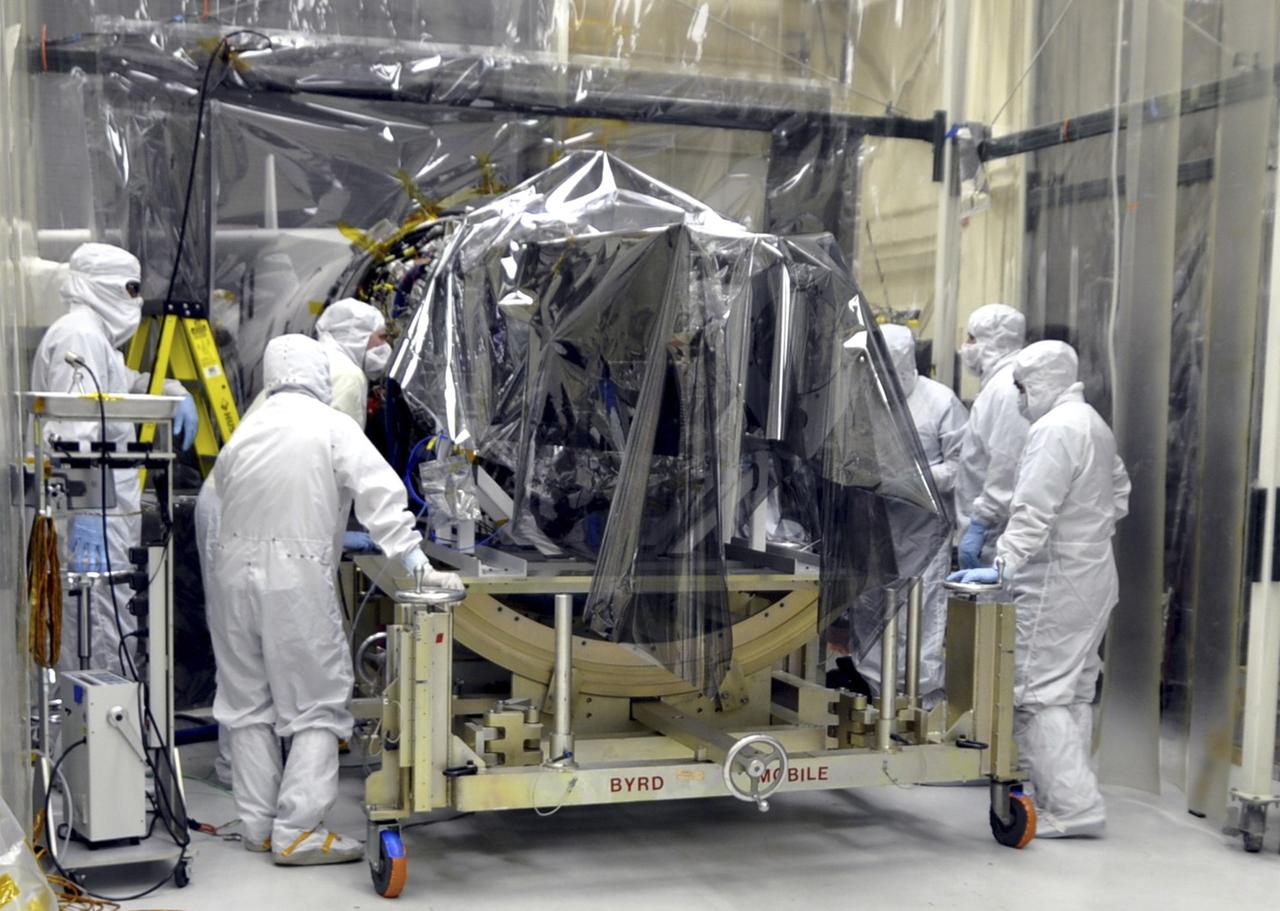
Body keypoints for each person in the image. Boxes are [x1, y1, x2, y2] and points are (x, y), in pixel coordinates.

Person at [206, 334, 462, 865]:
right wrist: (417, 565)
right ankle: (298, 830)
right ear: (318, 373)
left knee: (248, 705)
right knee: (317, 704)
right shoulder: (330, 425)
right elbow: (381, 497)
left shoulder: (246, 431)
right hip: (293, 579)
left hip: (230, 579)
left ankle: (257, 824)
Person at [949, 341, 1130, 837]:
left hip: (1057, 581)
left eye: (1023, 388)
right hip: (1092, 574)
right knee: (1071, 691)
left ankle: (1073, 810)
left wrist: (1003, 564)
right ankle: (1073, 794)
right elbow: (1119, 493)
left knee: (1035, 692)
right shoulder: (1093, 422)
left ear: (1043, 382)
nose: (1020, 399)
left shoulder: (1054, 430)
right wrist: (1086, 535)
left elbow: (1033, 510)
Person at [30, 243, 198, 673]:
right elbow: (75, 431)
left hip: (104, 513)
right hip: (92, 515)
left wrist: (166, 389)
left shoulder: (90, 336)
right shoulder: (79, 334)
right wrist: (86, 513)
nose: (136, 302)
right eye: (130, 289)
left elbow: (116, 385)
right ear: (103, 285)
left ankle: (99, 730)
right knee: (100, 633)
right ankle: (94, 736)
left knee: (108, 622)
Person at [858, 324, 968, 706]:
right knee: (871, 612)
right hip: (874, 529)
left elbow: (961, 468)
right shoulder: (864, 397)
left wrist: (911, 479)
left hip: (924, 533)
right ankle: (873, 696)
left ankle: (921, 702)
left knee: (922, 617)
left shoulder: (940, 402)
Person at [954, 303, 1029, 569]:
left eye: (972, 339)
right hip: (988, 531)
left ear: (992, 341)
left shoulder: (1008, 388)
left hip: (994, 534)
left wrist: (981, 522)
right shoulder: (996, 385)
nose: (965, 347)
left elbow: (1006, 462)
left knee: (996, 609)